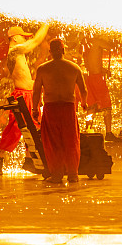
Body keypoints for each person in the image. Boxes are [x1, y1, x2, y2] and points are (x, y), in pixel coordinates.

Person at [0, 23, 49, 176]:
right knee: (17, 128)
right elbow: (36, 41)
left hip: (29, 95)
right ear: (15, 38)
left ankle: (29, 160)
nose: (25, 39)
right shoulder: (14, 51)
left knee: (35, 127)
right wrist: (47, 22)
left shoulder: (18, 53)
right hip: (21, 95)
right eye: (23, 36)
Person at [33, 39, 88, 184]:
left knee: (52, 142)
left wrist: (35, 109)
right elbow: (84, 90)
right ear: (64, 50)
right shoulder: (74, 68)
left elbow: (36, 91)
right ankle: (73, 174)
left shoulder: (43, 69)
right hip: (68, 108)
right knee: (71, 141)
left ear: (50, 52)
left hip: (51, 109)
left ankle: (57, 175)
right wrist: (84, 103)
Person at [82, 35, 121, 142]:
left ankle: (88, 131)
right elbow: (111, 47)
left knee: (92, 106)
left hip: (89, 77)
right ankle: (108, 133)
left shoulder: (87, 42)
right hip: (97, 79)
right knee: (106, 106)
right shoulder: (97, 41)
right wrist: (110, 38)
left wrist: (103, 70)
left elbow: (92, 63)